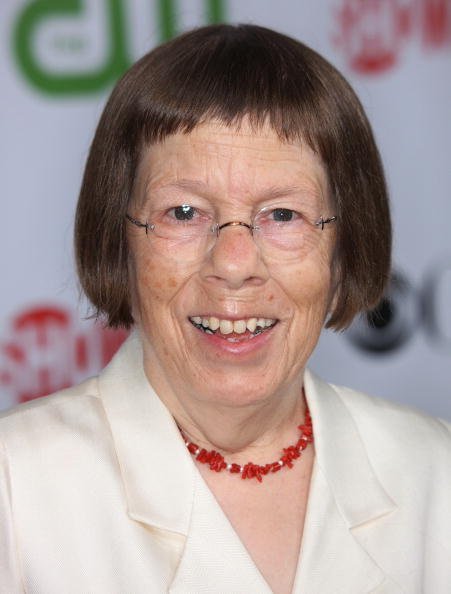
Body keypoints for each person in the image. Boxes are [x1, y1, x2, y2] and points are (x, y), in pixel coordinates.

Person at [1, 23, 450, 594]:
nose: (235, 264)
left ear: (344, 248)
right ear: (121, 242)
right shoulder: (14, 488)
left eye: (283, 215)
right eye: (184, 213)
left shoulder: (438, 474)